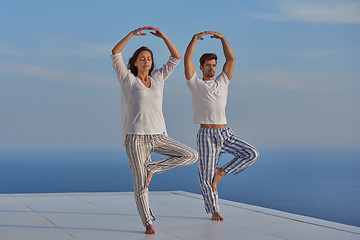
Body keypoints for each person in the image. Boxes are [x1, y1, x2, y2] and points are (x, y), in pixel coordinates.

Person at [111, 26, 198, 234]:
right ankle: (148, 223)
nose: (146, 61)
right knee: (141, 185)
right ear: (134, 62)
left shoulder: (159, 78)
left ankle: (153, 168)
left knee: (190, 155)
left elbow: (176, 57)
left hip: (159, 136)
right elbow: (115, 53)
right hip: (136, 138)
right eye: (142, 58)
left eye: (149, 58)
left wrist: (164, 37)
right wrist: (131, 34)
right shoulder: (128, 81)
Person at [184, 31, 259, 221]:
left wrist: (224, 39)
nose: (211, 68)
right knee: (205, 178)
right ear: (201, 67)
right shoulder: (195, 83)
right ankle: (214, 211)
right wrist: (193, 40)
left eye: (214, 65)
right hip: (206, 135)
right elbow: (187, 59)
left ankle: (222, 172)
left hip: (225, 133)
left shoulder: (223, 81)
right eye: (208, 65)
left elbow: (231, 59)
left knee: (251, 153)